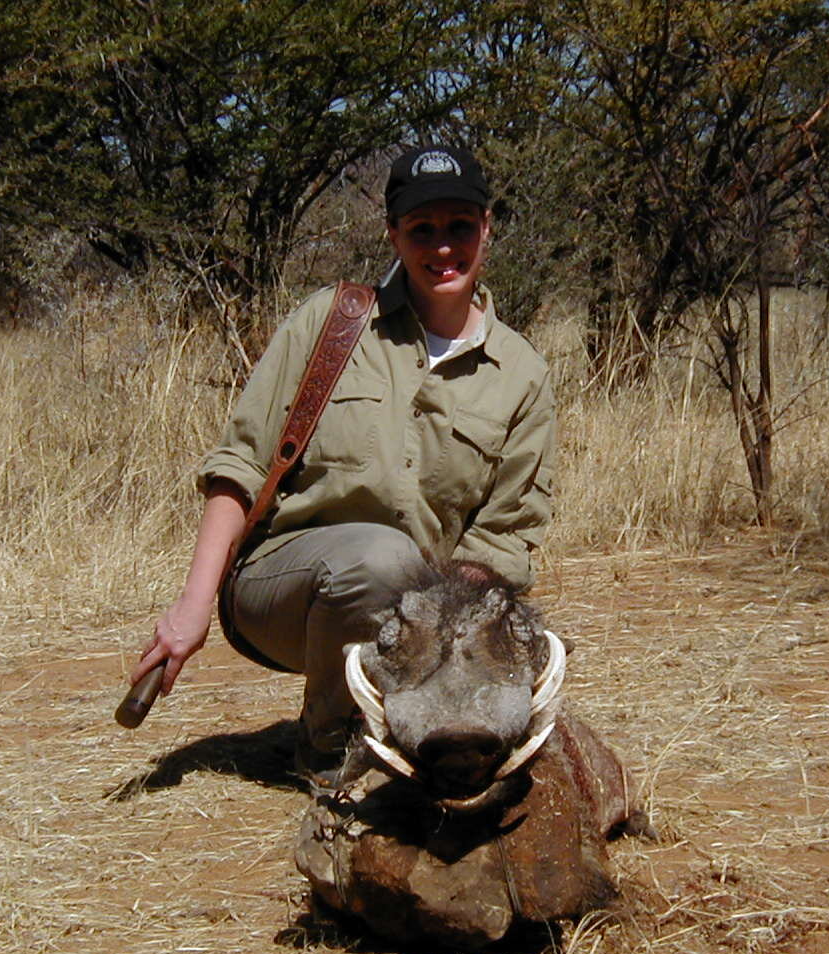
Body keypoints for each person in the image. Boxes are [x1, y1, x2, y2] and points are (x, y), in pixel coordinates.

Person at [129, 145, 556, 783]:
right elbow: (240, 464)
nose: (444, 248)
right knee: (381, 559)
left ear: (487, 228)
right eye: (422, 230)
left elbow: (502, 536)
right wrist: (191, 608)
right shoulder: (331, 323)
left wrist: (448, 640)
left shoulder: (522, 372)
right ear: (393, 234)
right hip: (283, 590)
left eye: (460, 227)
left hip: (427, 605)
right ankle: (329, 750)